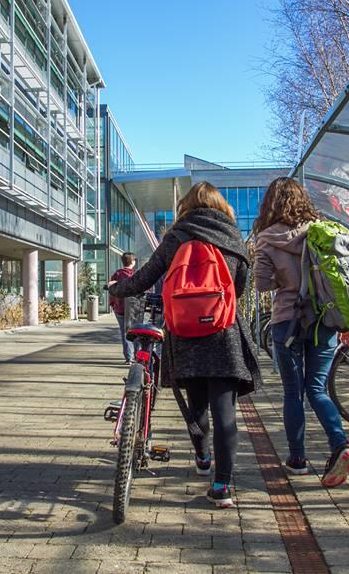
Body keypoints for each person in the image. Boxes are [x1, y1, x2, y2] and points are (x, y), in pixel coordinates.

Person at [109, 182, 262, 508]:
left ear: (186, 207)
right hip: (224, 333)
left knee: (196, 405)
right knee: (225, 413)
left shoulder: (177, 237)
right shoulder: (233, 237)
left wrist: (117, 289)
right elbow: (240, 287)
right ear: (222, 206)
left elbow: (145, 277)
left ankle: (203, 456)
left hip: (185, 333)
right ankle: (222, 486)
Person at [253, 177, 349, 487]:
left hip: (287, 320)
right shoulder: (320, 232)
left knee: (292, 392)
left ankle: (297, 459)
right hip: (323, 319)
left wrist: (285, 278)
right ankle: (340, 443)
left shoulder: (267, 238)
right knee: (317, 389)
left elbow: (262, 284)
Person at [109, 252, 137, 364]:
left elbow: (111, 290)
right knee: (136, 331)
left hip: (119, 307)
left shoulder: (117, 274)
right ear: (133, 262)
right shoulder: (136, 274)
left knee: (124, 332)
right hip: (134, 308)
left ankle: (129, 357)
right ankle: (138, 356)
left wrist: (112, 304)